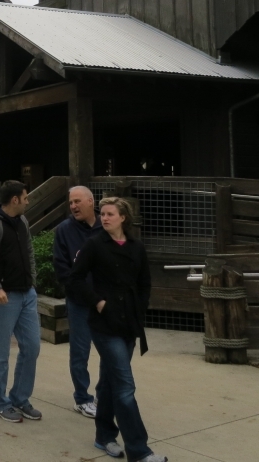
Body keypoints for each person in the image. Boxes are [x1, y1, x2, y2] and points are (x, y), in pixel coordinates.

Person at [68, 197, 163, 462]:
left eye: (111, 214)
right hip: (104, 325)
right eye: (103, 214)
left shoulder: (136, 247)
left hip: (129, 323)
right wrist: (98, 302)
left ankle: (103, 436)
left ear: (123, 218)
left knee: (110, 381)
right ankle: (139, 450)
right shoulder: (94, 245)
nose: (105, 218)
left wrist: (140, 308)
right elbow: (74, 279)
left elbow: (145, 282)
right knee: (124, 385)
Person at [0, 180, 42, 424]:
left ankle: (20, 398)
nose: (27, 201)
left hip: (26, 294)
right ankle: (0, 403)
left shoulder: (22, 221)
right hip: (2, 297)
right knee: (0, 353)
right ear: (15, 199)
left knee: (32, 347)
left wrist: (32, 282)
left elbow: (29, 250)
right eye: (25, 197)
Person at [54, 185, 104, 418]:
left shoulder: (106, 226)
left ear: (91, 202)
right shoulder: (64, 230)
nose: (73, 206)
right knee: (80, 352)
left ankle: (104, 394)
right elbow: (63, 270)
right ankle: (82, 398)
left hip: (107, 302)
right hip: (79, 302)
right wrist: (87, 295)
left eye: (77, 201)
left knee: (110, 351)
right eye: (70, 202)